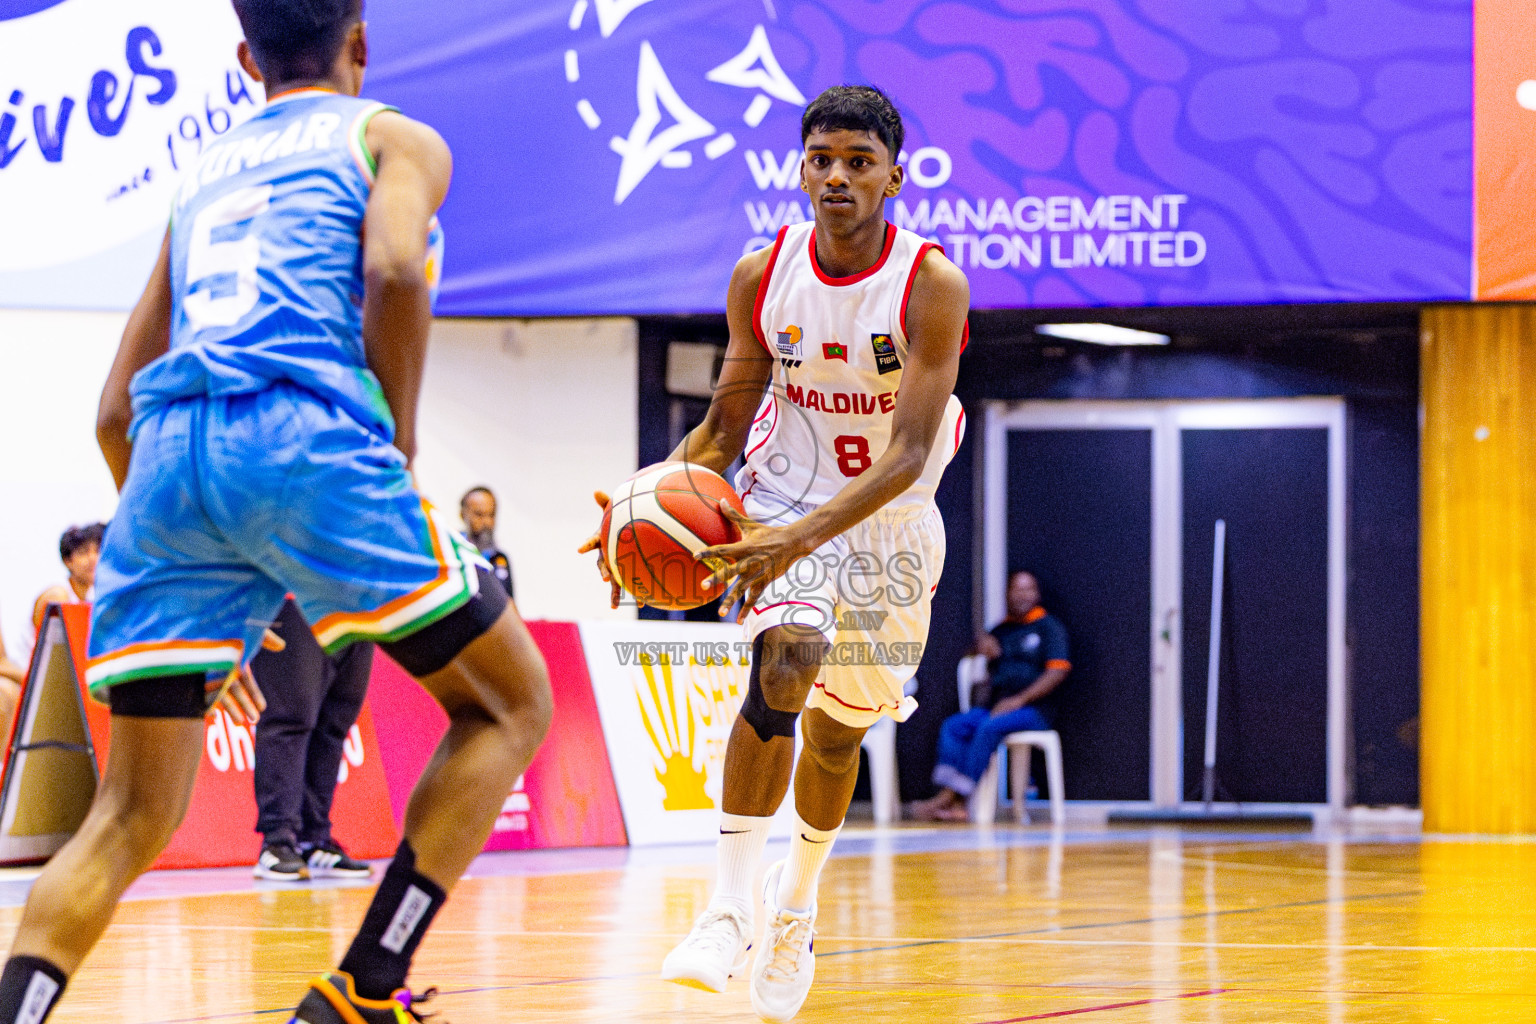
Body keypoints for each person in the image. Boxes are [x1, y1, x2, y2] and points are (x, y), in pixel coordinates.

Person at [0, 4, 553, 1024]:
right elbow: (393, 269)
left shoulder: (204, 173)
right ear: (361, 41)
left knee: (128, 811)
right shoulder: (391, 135)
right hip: (306, 436)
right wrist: (396, 446)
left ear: (248, 59)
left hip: (165, 460)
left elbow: (114, 408)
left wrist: (197, 563)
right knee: (513, 704)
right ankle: (361, 990)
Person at [581, 85, 969, 1022]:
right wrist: (639, 504)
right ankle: (726, 906)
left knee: (838, 737)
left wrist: (804, 535)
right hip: (781, 498)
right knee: (783, 660)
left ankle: (795, 904)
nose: (837, 177)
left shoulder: (931, 285)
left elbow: (910, 453)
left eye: (858, 163)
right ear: (800, 169)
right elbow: (724, 423)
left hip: (890, 517)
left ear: (893, 177)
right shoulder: (762, 275)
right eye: (821, 159)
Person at [912, 571, 1070, 823]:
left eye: (1028, 589)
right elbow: (970, 656)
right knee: (954, 726)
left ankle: (954, 799)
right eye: (1017, 589)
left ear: (1037, 594)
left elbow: (1057, 671)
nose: (1022, 595)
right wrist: (978, 648)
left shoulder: (1049, 628)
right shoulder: (1001, 630)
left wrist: (1020, 700)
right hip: (995, 706)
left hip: (1034, 710)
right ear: (1008, 594)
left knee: (989, 727)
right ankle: (951, 796)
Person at [251, 598, 374, 882]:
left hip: (357, 598)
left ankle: (314, 838)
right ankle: (277, 840)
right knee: (289, 718)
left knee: (335, 722)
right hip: (292, 596)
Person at [30, 523, 104, 634]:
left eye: (98, 551)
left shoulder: (91, 596)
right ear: (67, 561)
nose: (93, 559)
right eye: (83, 552)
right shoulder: (58, 596)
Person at [460, 486, 513, 599]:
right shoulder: (453, 553)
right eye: (479, 515)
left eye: (491, 515)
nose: (487, 522)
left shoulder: (500, 559)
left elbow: (509, 603)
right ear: (462, 515)